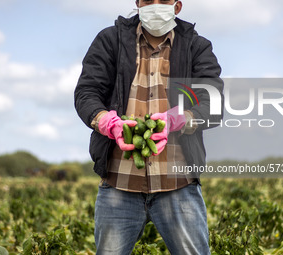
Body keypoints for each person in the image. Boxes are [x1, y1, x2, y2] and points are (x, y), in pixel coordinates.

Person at [74, 0, 224, 254]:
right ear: (137, 4)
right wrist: (106, 122)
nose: (155, 5)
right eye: (148, 0)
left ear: (177, 7)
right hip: (119, 182)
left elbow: (213, 104)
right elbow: (87, 93)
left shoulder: (196, 47)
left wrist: (178, 119)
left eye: (163, 0)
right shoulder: (111, 41)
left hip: (178, 184)